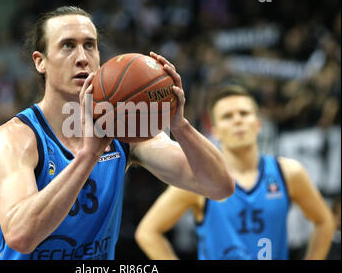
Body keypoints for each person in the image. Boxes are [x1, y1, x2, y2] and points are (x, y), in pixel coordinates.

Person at [0, 6, 234, 260]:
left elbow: (219, 186)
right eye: (68, 45)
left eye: (90, 45)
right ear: (40, 61)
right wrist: (88, 156)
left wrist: (180, 127)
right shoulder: (15, 139)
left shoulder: (125, 133)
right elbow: (20, 236)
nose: (82, 57)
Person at [135, 85, 336, 260]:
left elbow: (325, 221)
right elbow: (147, 232)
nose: (237, 120)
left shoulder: (289, 173)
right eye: (227, 116)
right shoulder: (199, 179)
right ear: (216, 130)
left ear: (258, 124)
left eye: (244, 113)